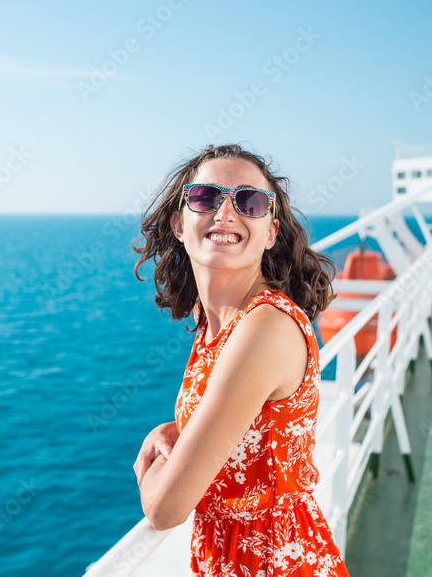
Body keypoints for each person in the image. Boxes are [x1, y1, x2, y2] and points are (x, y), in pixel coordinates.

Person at [131, 143, 350, 576]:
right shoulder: (216, 322)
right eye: (205, 198)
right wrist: (179, 429)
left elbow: (164, 508)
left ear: (270, 231)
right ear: (179, 223)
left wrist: (152, 467)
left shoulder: (263, 329)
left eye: (249, 202)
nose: (225, 213)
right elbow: (248, 423)